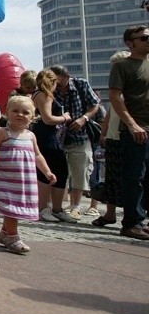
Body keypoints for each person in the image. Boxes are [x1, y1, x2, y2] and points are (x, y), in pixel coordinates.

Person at [0, 96, 56, 254]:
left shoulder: (31, 136)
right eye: (15, 111)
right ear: (7, 113)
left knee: (16, 207)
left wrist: (47, 171)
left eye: (25, 112)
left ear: (32, 117)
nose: (20, 115)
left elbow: (37, 155)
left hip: (24, 180)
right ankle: (13, 237)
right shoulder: (2, 133)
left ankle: (5, 233)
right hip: (7, 179)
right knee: (10, 207)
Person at [108, 26, 149, 240]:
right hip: (136, 131)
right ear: (130, 43)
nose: (148, 40)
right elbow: (115, 97)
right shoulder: (122, 66)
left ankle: (143, 220)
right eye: (144, 38)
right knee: (135, 177)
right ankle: (132, 222)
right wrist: (132, 124)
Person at [50, 64, 100, 221]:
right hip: (58, 138)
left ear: (66, 77)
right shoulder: (50, 89)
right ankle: (56, 205)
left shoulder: (81, 84)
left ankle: (76, 206)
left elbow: (95, 105)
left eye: (58, 81)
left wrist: (83, 119)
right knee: (58, 172)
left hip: (80, 135)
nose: (56, 85)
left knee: (80, 170)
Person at [31, 69, 75, 223]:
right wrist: (64, 117)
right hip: (48, 137)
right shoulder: (46, 95)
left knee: (57, 171)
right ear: (53, 82)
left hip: (46, 137)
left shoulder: (38, 94)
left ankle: (55, 209)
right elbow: (48, 119)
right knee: (50, 172)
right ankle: (45, 208)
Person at [93, 51, 131, 228]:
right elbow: (111, 111)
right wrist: (104, 132)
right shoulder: (118, 85)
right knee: (112, 176)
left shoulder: (133, 84)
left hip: (129, 135)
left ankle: (131, 214)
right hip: (114, 136)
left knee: (133, 177)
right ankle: (110, 213)